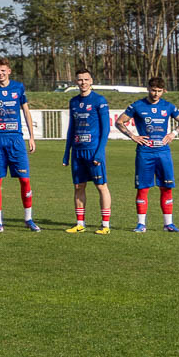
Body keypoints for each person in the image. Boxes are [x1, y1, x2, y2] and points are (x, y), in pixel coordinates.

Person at [116, 76, 179, 233]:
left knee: (166, 187)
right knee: (143, 188)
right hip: (145, 152)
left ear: (164, 91)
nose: (156, 94)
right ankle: (141, 224)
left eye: (159, 91)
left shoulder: (168, 106)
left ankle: (168, 224)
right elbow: (119, 122)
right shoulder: (137, 106)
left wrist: (173, 133)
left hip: (163, 152)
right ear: (148, 89)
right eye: (153, 90)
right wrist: (133, 136)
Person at [0, 58, 37, 232]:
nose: (0, 73)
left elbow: (26, 111)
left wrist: (31, 137)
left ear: (9, 71)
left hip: (16, 139)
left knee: (25, 180)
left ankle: (28, 219)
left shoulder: (18, 87)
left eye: (3, 70)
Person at [62, 69, 112, 234]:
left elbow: (105, 129)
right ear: (76, 82)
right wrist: (67, 153)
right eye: (80, 80)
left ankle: (105, 225)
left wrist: (99, 152)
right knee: (78, 186)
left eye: (86, 79)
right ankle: (80, 224)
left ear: (91, 81)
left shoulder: (99, 100)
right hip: (78, 151)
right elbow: (71, 128)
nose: (83, 82)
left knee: (101, 186)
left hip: (93, 151)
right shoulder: (73, 102)